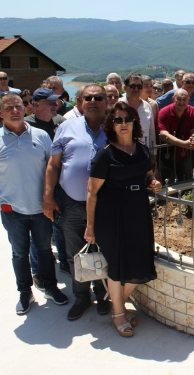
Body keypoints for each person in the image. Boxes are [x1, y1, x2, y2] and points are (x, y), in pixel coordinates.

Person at [84, 101, 161, 337]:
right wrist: (90, 226)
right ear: (112, 124)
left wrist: (153, 183)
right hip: (112, 216)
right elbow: (92, 192)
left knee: (140, 261)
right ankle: (119, 313)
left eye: (128, 119)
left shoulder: (143, 150)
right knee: (116, 264)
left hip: (138, 212)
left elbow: (148, 175)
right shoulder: (105, 154)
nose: (123, 123)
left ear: (135, 123)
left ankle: (117, 305)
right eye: (118, 120)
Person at [43, 84, 110, 321]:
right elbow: (53, 165)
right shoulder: (65, 127)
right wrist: (48, 196)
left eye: (98, 97)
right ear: (80, 101)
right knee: (75, 254)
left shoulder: (114, 128)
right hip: (71, 203)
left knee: (103, 251)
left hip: (105, 205)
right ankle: (81, 297)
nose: (93, 101)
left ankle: (102, 294)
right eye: (88, 97)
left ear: (106, 101)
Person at [0, 93, 69, 315]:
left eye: (18, 106)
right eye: (9, 108)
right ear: (1, 113)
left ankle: (50, 287)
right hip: (12, 209)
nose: (14, 111)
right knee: (19, 253)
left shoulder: (40, 136)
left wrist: (51, 198)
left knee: (44, 250)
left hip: (42, 207)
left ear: (25, 109)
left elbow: (54, 167)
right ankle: (25, 292)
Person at [25, 88, 70, 283]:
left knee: (61, 227)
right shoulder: (26, 127)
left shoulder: (61, 123)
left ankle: (65, 262)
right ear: (36, 105)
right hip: (36, 187)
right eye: (50, 102)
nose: (55, 105)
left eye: (56, 102)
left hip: (61, 185)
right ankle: (38, 271)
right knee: (40, 231)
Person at [157, 89, 194, 182]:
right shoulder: (164, 112)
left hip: (184, 154)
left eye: (184, 99)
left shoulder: (193, 112)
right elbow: (163, 134)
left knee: (185, 182)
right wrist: (183, 143)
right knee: (167, 184)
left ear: (188, 99)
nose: (181, 102)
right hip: (167, 153)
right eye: (179, 99)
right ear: (173, 99)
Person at [119, 74, 156, 150]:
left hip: (143, 154)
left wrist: (153, 154)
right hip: (121, 153)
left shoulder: (147, 106)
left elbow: (151, 132)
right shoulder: (118, 105)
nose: (136, 89)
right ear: (125, 88)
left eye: (139, 87)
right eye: (132, 86)